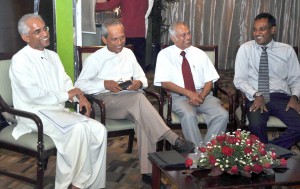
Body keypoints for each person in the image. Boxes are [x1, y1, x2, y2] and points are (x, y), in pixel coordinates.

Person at [75, 18, 194, 183]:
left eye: (122, 38)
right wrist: (104, 84)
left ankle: (149, 173)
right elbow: (79, 85)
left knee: (143, 119)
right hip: (103, 102)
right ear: (104, 39)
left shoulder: (129, 53)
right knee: (139, 99)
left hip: (128, 100)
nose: (119, 42)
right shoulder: (95, 59)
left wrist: (138, 83)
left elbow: (142, 79)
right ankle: (173, 138)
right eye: (114, 39)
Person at [10, 14, 107, 189]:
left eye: (45, 28)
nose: (45, 33)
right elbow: (34, 95)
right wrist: (67, 94)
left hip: (56, 111)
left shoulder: (53, 56)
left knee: (99, 130)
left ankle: (89, 184)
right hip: (33, 113)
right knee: (78, 129)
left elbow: (66, 82)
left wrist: (79, 96)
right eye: (37, 31)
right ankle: (68, 184)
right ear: (26, 37)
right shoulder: (20, 60)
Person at [154, 21, 228, 146]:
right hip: (179, 96)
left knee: (222, 114)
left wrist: (202, 96)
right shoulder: (164, 55)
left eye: (189, 33)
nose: (188, 37)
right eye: (183, 35)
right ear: (173, 38)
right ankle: (197, 154)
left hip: (202, 95)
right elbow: (165, 83)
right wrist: (189, 93)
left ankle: (208, 151)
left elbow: (209, 80)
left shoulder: (199, 53)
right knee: (189, 115)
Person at [234, 12, 300, 149]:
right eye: (254, 29)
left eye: (262, 29)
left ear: (273, 30)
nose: (257, 33)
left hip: (280, 97)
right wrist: (257, 94)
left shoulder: (287, 50)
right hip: (255, 97)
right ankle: (267, 158)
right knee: (256, 125)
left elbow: (296, 78)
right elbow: (239, 79)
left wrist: (294, 97)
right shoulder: (245, 49)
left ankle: (269, 152)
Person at [95, 0, 154, 72]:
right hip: (140, 31)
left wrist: (91, 6)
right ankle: (139, 81)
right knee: (139, 61)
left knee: (124, 60)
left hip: (127, 31)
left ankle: (125, 81)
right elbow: (145, 10)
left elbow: (109, 5)